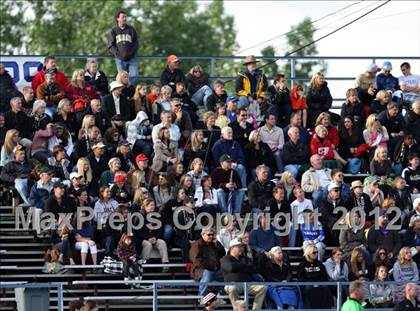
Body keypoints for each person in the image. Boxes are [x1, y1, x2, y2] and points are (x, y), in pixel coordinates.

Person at [221, 239, 267, 310]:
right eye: (239, 247)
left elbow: (253, 268)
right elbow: (230, 268)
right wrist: (244, 266)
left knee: (263, 288)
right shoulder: (226, 258)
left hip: (247, 283)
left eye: (241, 247)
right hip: (233, 284)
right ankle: (238, 310)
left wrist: (240, 266)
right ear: (232, 248)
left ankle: (256, 309)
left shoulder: (245, 258)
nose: (241, 249)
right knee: (232, 288)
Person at [189, 228, 226, 298]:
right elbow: (196, 260)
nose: (211, 237)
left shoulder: (213, 244)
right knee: (207, 274)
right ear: (203, 235)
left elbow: (222, 253)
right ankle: (201, 297)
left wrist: (217, 243)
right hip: (200, 270)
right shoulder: (197, 245)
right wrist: (210, 267)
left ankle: (221, 296)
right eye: (209, 235)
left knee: (225, 274)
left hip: (215, 269)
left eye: (212, 235)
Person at [107, 10, 139, 84]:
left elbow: (136, 44)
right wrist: (118, 55)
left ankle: (127, 87)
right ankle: (122, 91)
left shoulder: (131, 29)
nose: (124, 19)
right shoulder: (113, 30)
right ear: (118, 18)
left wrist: (131, 54)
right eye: (123, 17)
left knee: (134, 75)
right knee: (121, 78)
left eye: (125, 17)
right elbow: (111, 45)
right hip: (119, 59)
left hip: (132, 58)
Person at [297, 244, 332, 309]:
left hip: (320, 283)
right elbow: (300, 278)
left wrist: (318, 283)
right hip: (307, 284)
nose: (316, 254)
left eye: (317, 252)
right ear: (308, 253)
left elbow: (324, 276)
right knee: (308, 289)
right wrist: (311, 283)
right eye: (314, 252)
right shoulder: (302, 265)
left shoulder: (319, 264)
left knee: (326, 288)